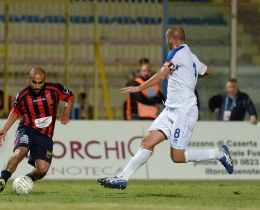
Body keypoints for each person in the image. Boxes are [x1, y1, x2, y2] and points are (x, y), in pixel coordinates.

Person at [98, 26, 234, 190]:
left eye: (166, 39)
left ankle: (218, 153)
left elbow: (162, 75)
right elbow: (207, 71)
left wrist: (138, 88)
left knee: (177, 156)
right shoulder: (190, 56)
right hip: (171, 110)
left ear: (170, 39)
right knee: (147, 142)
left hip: (184, 111)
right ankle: (122, 178)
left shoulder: (176, 54)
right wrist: (191, 74)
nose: (166, 42)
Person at [0, 67, 74, 195]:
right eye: (34, 82)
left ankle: (26, 179)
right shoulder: (23, 95)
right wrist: (5, 128)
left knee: (42, 170)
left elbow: (70, 96)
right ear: (29, 79)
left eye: (40, 83)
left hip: (45, 135)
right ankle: (2, 180)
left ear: (44, 81)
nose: (37, 86)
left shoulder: (55, 89)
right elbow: (15, 111)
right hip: (27, 128)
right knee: (20, 152)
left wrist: (66, 113)